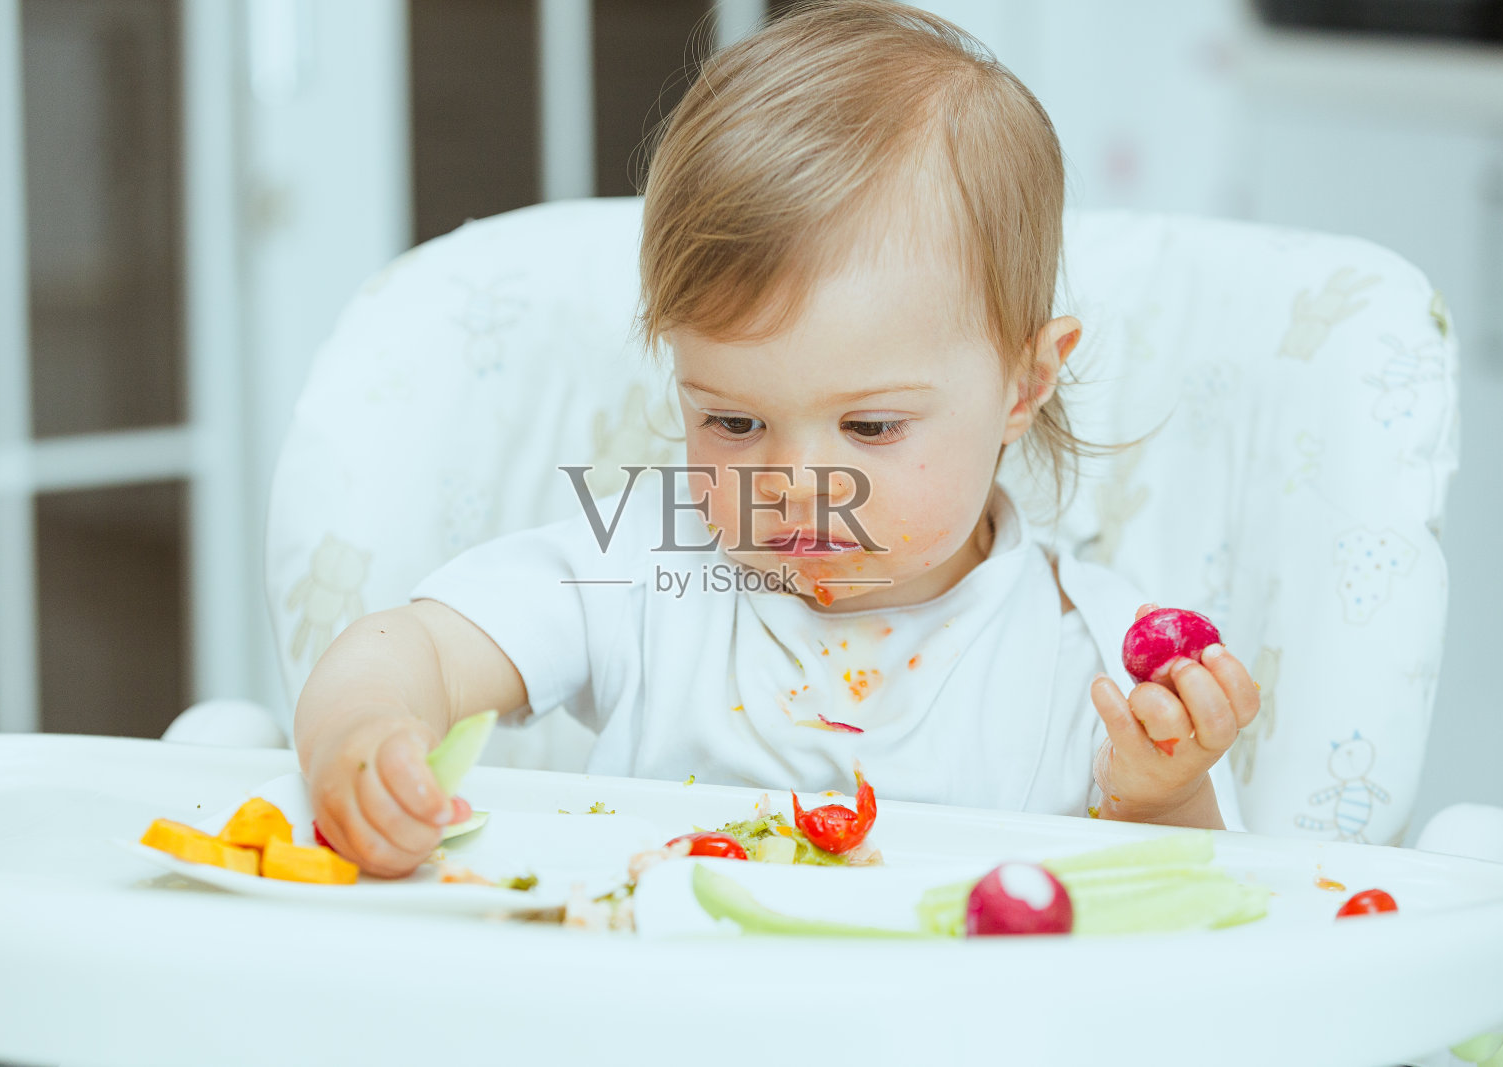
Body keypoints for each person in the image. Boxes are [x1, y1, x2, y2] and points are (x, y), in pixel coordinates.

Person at [294, 0, 1259, 878]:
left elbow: (1194, 922)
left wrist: (1163, 793)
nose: (797, 482)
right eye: (734, 420)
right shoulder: (641, 568)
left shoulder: (1090, 657)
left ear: (1025, 383)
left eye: (872, 425)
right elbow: (411, 644)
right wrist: (366, 734)